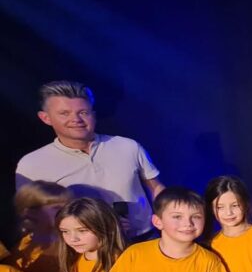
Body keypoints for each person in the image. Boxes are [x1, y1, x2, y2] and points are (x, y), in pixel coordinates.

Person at [16, 81, 165, 240]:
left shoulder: (127, 146)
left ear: (93, 114)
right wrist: (96, 227)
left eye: (83, 112)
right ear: (45, 118)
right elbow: (30, 215)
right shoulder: (32, 164)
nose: (76, 119)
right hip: (81, 250)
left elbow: (156, 188)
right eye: (64, 113)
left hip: (144, 239)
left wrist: (168, 221)